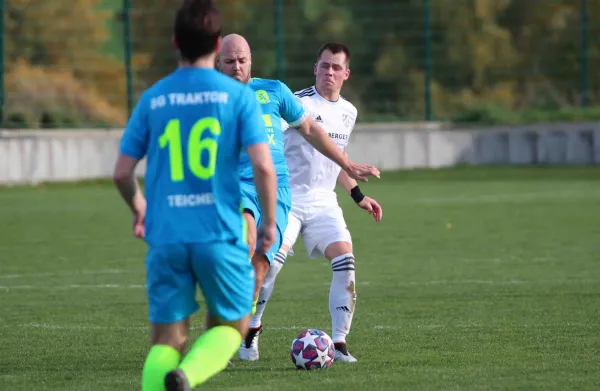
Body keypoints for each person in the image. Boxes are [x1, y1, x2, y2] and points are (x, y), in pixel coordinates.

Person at [112, 1, 278, 390]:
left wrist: (139, 210)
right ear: (218, 45)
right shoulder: (238, 98)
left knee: (166, 340)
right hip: (218, 233)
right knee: (233, 325)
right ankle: (186, 376)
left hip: (166, 235)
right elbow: (264, 167)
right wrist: (269, 223)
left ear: (174, 42)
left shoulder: (154, 97)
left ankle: (170, 374)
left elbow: (121, 171)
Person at [216, 34, 380, 361]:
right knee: (269, 267)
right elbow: (267, 133)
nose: (329, 73)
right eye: (324, 66)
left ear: (346, 73)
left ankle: (339, 343)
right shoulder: (295, 100)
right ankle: (252, 328)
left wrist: (357, 194)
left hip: (322, 202)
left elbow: (334, 156)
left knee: (346, 264)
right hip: (286, 198)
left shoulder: (349, 112)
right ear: (314, 68)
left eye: (336, 68)